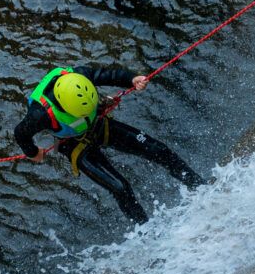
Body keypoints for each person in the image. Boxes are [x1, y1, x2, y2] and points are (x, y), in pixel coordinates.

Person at [13, 66, 202, 224]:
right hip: (73, 145)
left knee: (158, 149)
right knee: (120, 187)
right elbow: (20, 133)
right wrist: (33, 152)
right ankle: (148, 232)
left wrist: (132, 79)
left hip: (98, 124)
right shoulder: (39, 115)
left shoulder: (78, 76)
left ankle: (200, 187)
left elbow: (107, 74)